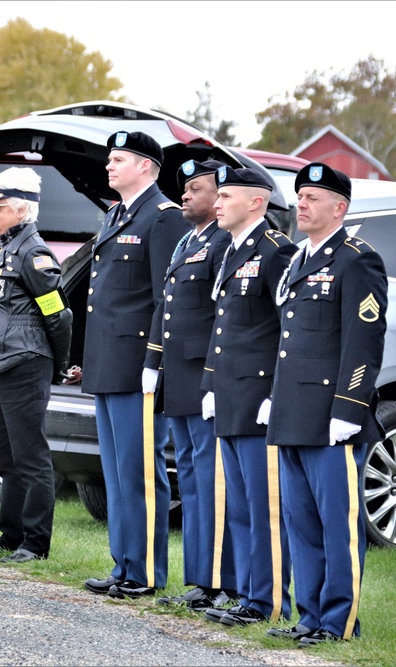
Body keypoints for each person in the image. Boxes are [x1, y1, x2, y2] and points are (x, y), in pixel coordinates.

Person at [266, 162, 388, 646]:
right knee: (300, 521)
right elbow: (290, 340)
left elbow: (364, 341)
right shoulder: (298, 258)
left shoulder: (357, 259)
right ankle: (310, 614)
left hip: (332, 417)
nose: (302, 204)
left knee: (337, 525)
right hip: (293, 412)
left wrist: (348, 407)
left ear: (340, 208)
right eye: (300, 196)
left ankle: (340, 620)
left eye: (313, 197)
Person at [81, 131, 189, 599]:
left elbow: (168, 298)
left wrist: (156, 362)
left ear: (145, 166)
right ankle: (123, 564)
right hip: (109, 363)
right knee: (117, 472)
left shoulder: (162, 218)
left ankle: (145, 571)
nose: (109, 166)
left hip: (138, 366)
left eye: (118, 159)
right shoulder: (116, 214)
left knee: (141, 471)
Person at [200, 165, 296, 627]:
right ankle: (250, 594)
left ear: (256, 202)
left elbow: (287, 331)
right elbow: (225, 328)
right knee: (239, 506)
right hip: (232, 395)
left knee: (264, 507)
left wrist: (275, 393)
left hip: (258, 397)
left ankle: (270, 600)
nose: (217, 203)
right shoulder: (233, 250)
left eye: (227, 196)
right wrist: (211, 384)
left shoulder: (276, 251)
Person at [0, 167, 72, 564]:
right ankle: (10, 536)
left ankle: (35, 543)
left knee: (30, 456)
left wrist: (58, 365)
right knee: (6, 457)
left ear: (20, 209)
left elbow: (58, 315)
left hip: (24, 363)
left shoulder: (33, 252)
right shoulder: (0, 246)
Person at [150, 159, 238, 611]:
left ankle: (222, 580)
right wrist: (154, 363)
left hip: (205, 376)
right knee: (191, 478)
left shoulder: (225, 242)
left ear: (222, 196)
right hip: (179, 377)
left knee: (211, 478)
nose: (185, 195)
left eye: (197, 188)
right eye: (185, 188)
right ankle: (200, 579)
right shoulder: (189, 239)